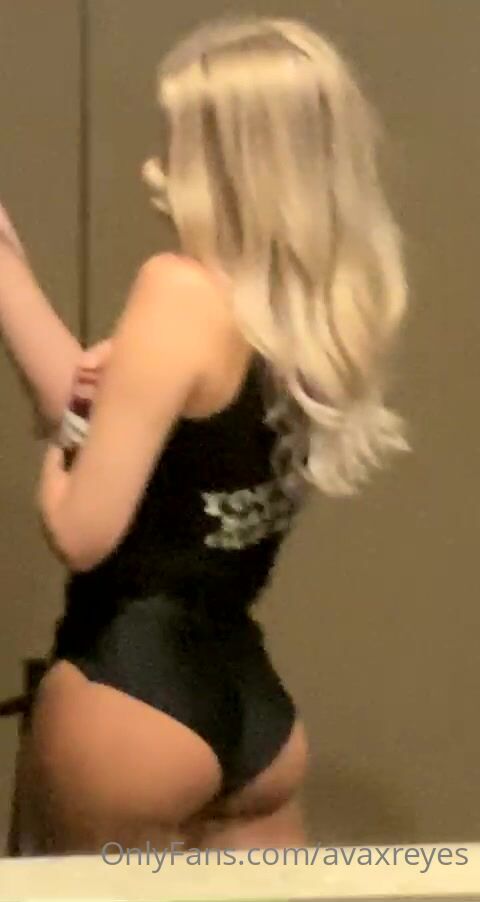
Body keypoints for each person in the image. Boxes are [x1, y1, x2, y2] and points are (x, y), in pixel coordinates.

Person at [0, 16, 408, 854]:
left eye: (179, 141)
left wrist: (58, 465)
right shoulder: (316, 314)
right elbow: (94, 406)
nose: (158, 164)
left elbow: (81, 531)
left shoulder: (177, 293)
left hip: (128, 695)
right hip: (254, 718)